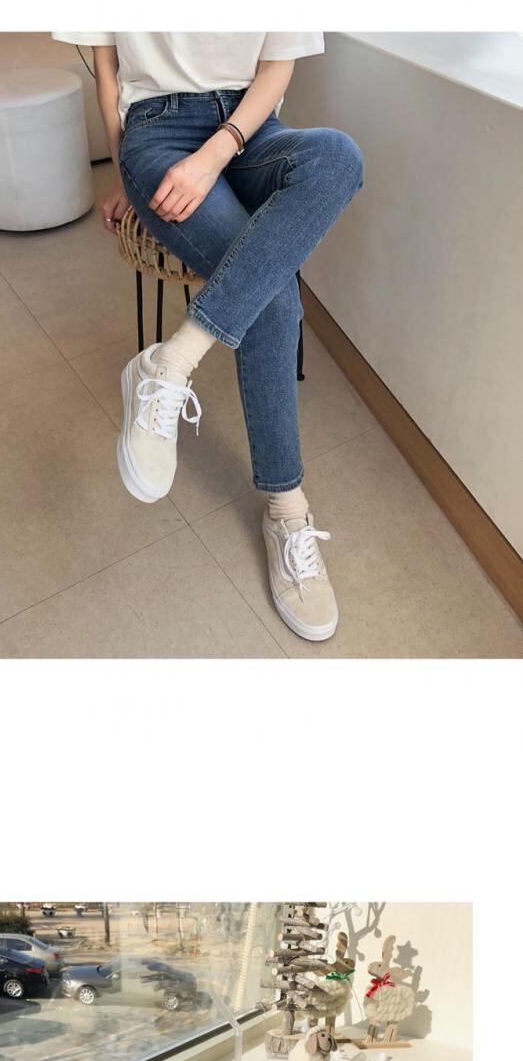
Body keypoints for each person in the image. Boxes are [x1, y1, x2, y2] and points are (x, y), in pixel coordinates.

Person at [89, 33, 363, 645]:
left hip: (251, 126)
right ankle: (287, 511)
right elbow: (107, 74)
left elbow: (278, 64)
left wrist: (215, 154)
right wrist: (129, 178)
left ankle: (172, 360)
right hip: (155, 134)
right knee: (274, 299)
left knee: (338, 156)